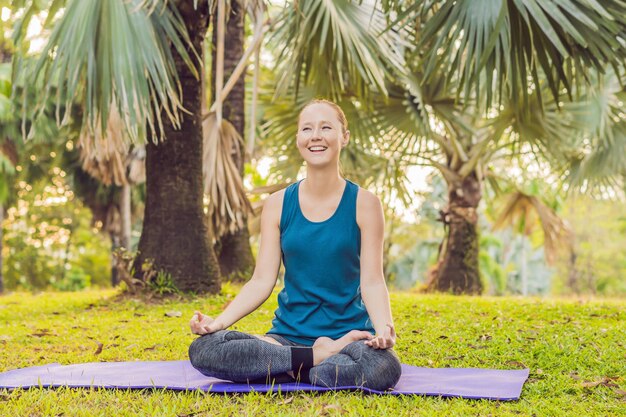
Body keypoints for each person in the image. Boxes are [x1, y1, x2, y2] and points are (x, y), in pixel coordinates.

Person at [188, 99, 402, 391]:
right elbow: (262, 280)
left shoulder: (365, 204)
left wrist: (383, 329)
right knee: (206, 348)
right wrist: (218, 323)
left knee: (383, 366)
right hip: (286, 338)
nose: (316, 135)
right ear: (299, 139)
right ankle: (317, 359)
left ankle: (294, 367)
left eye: (326, 127)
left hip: (349, 339)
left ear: (344, 137)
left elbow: (373, 281)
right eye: (307, 128)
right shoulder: (277, 204)